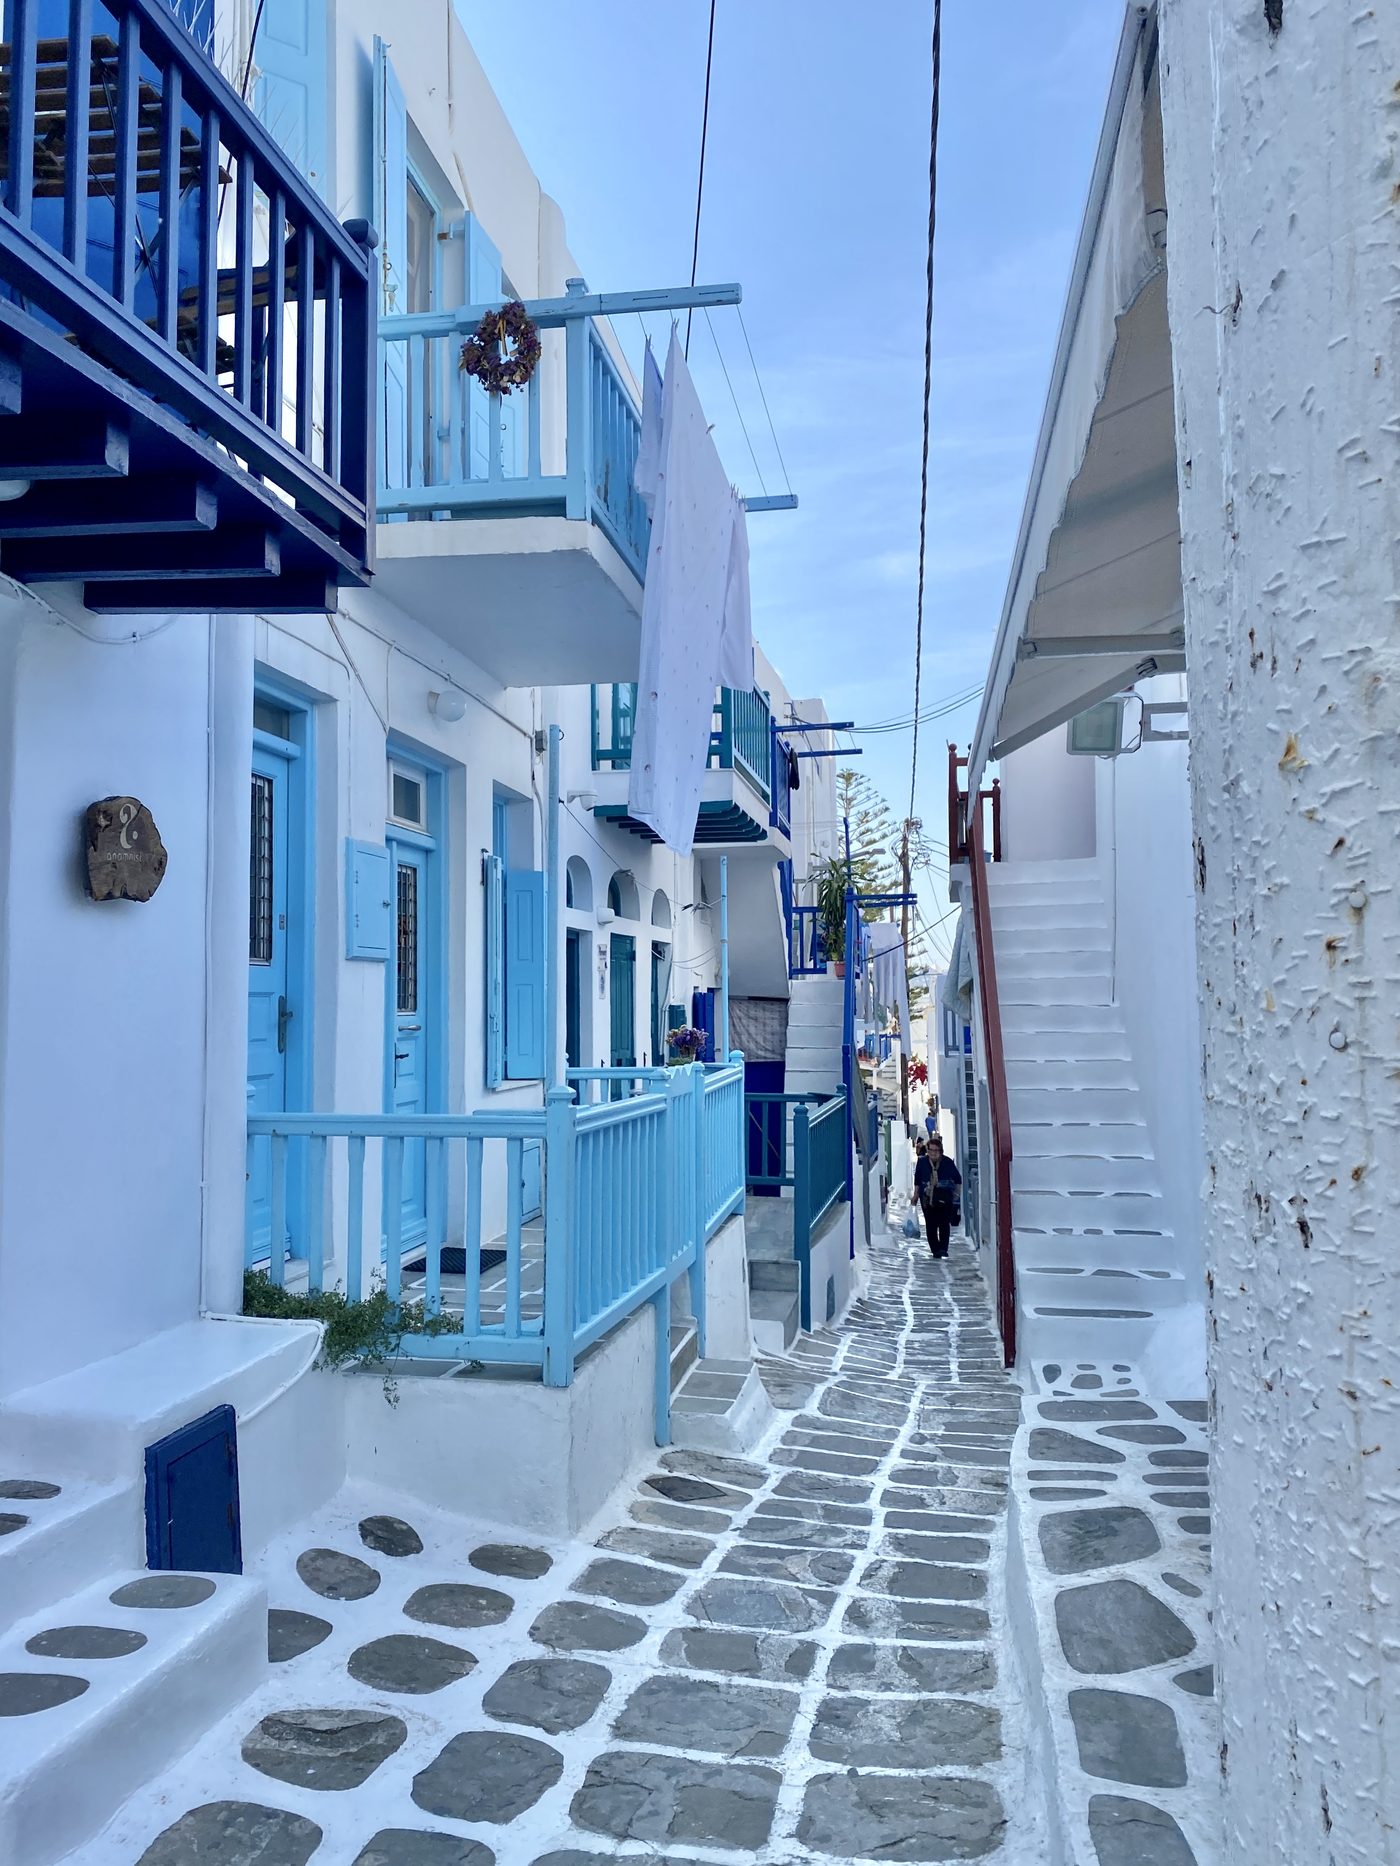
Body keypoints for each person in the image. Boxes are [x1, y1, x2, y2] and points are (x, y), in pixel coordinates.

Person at [916, 1134, 962, 1259]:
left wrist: (955, 1196)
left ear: (941, 1151)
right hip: (927, 1198)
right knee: (930, 1224)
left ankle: (943, 1249)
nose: (934, 1153)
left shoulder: (947, 1163)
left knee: (944, 1223)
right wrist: (915, 1196)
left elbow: (958, 1179)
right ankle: (935, 1249)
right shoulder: (922, 1162)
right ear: (928, 1150)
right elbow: (917, 1180)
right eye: (931, 1150)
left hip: (944, 1198)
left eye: (936, 1150)